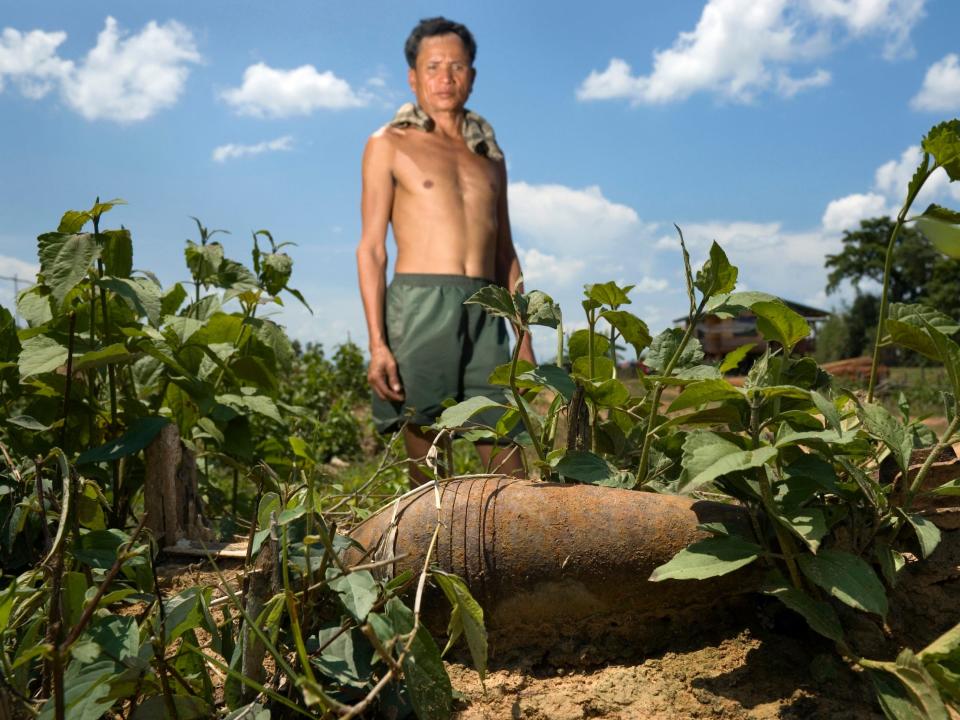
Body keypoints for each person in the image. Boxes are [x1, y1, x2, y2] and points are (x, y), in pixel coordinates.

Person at [356, 16, 534, 485]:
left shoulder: (491, 157)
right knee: (430, 473)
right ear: (413, 76)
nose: (446, 77)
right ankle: (433, 556)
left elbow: (506, 252)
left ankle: (511, 553)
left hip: (486, 309)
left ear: (472, 76)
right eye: (433, 66)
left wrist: (526, 336)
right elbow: (372, 248)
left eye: (457, 66)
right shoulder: (387, 143)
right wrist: (377, 345)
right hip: (420, 306)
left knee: (509, 463)